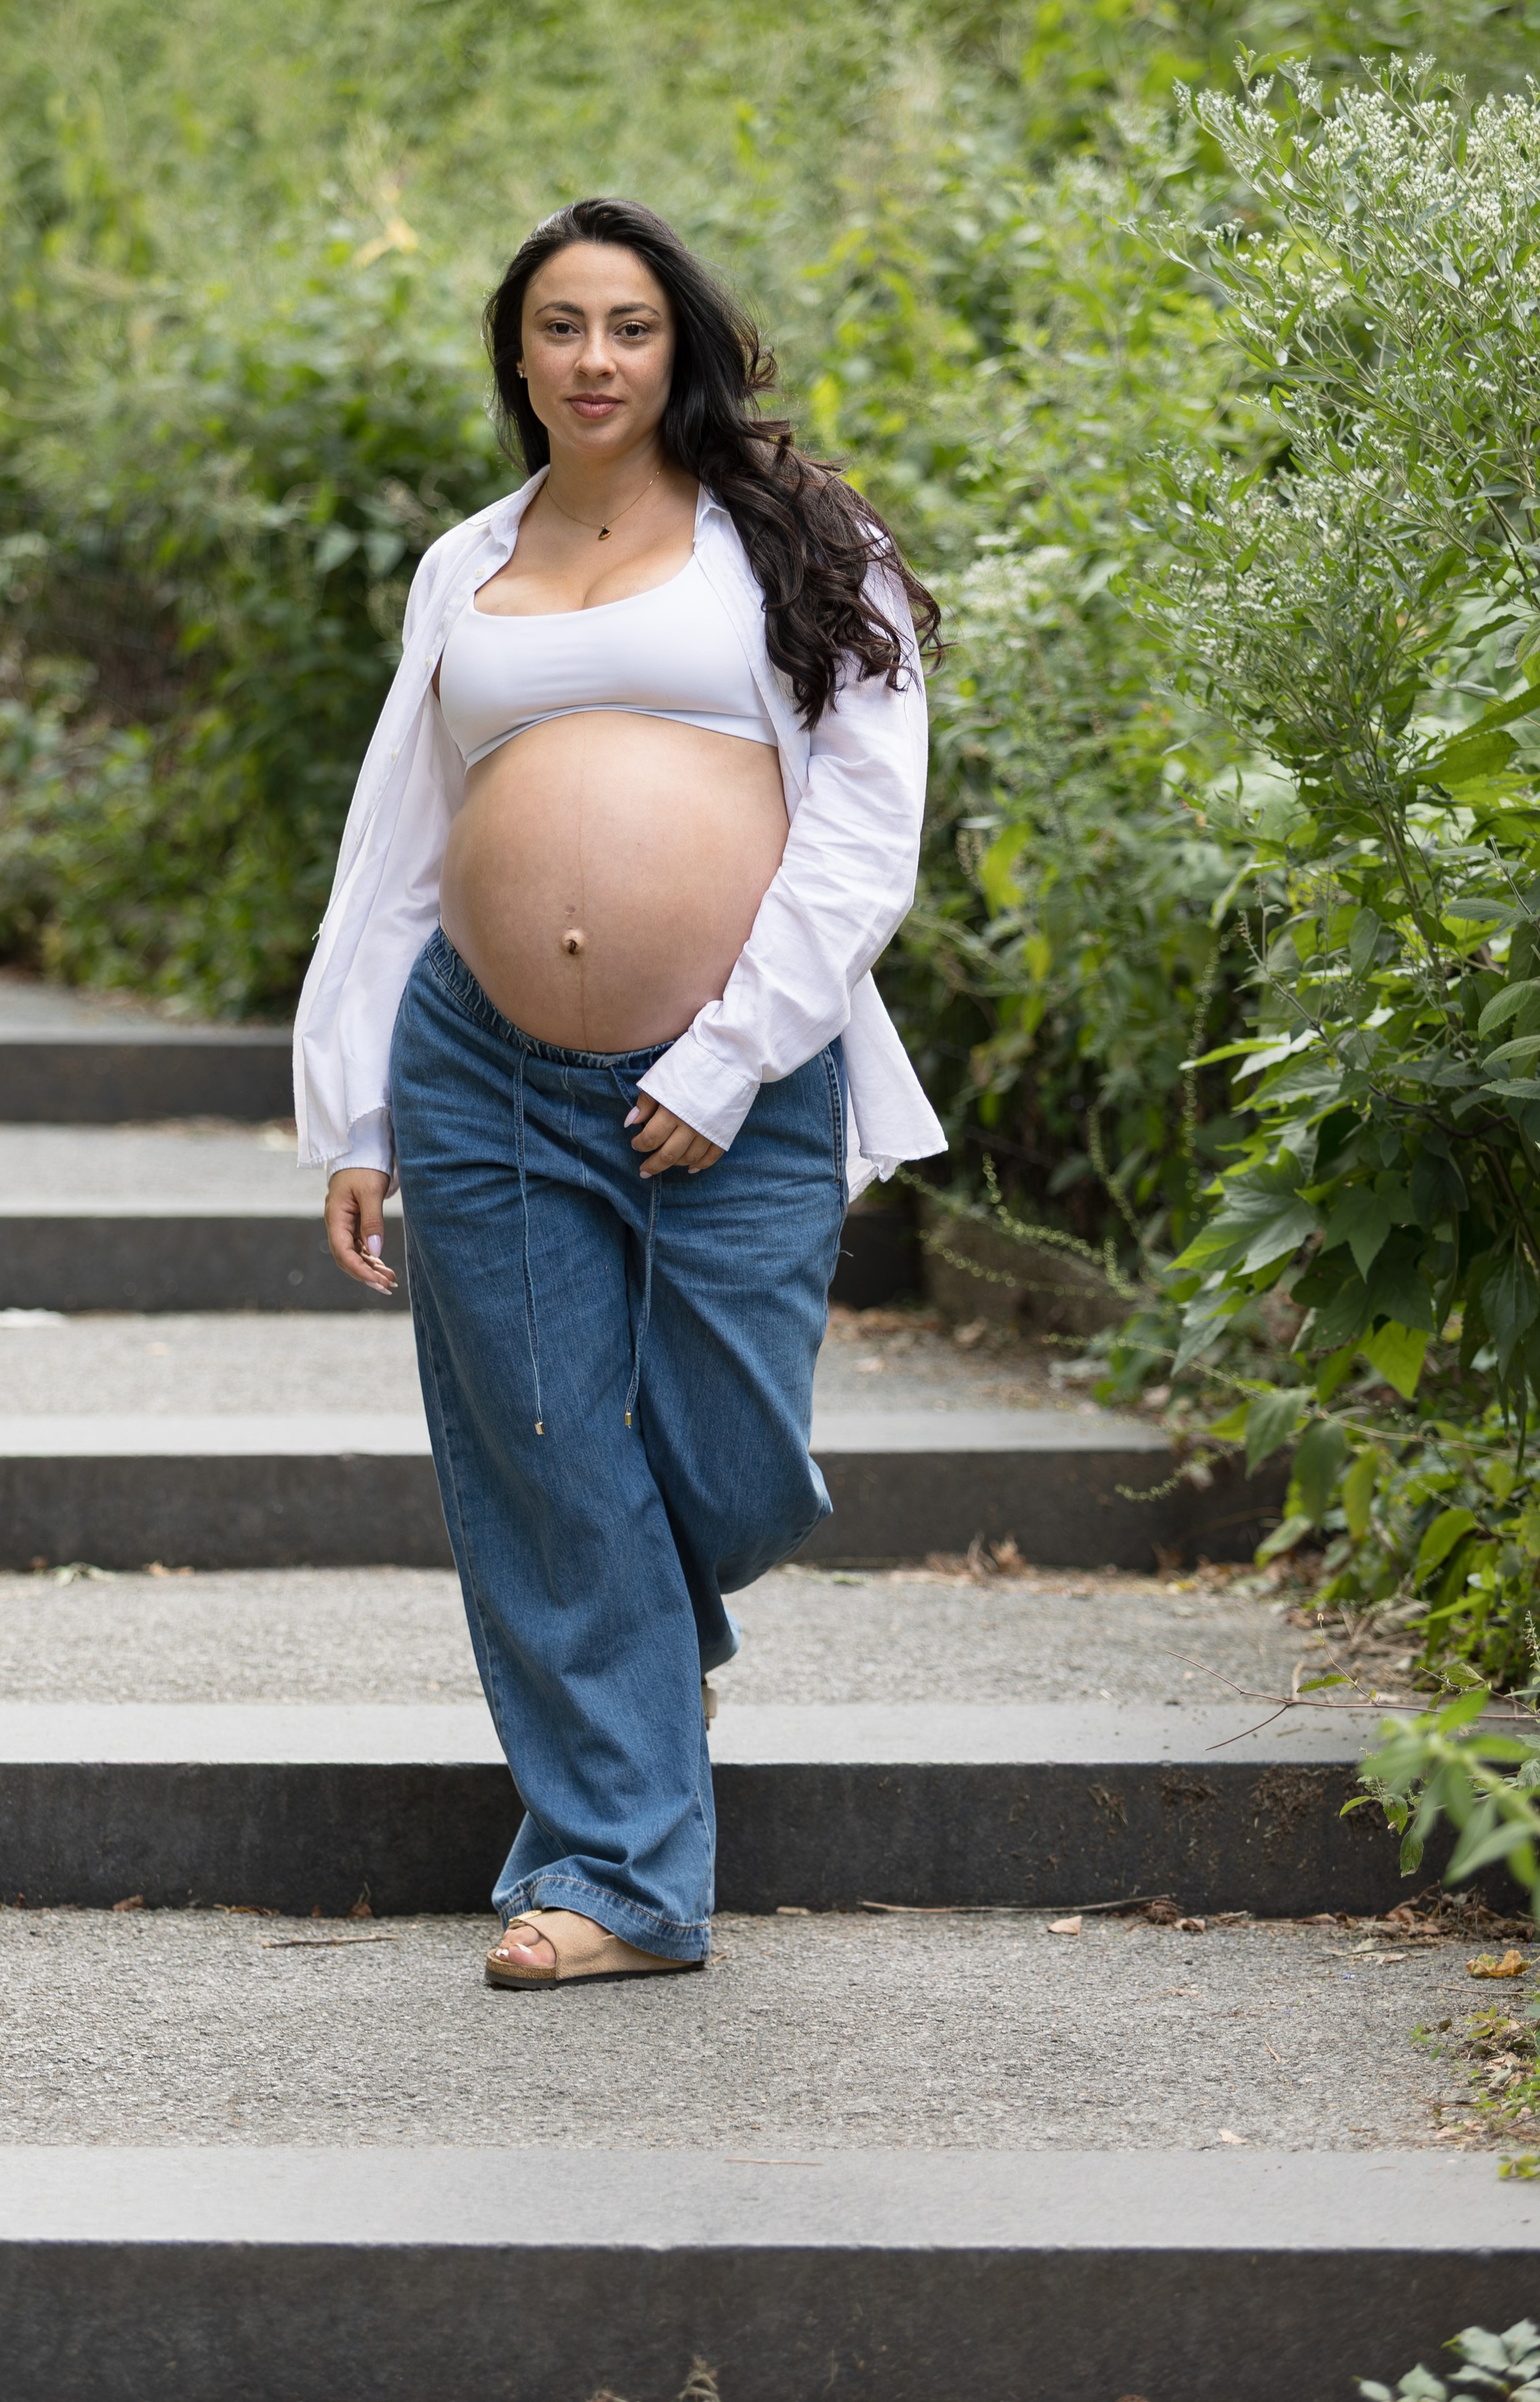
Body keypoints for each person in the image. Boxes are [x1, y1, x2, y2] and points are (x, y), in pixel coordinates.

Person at [295, 197, 945, 1989]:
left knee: (726, 1458)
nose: (595, 360)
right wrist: (351, 1110)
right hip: (479, 1072)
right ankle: (620, 1876)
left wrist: (728, 1054)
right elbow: (396, 849)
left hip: (741, 1077)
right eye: (562, 327)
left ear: (687, 350)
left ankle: (637, 1669)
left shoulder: (801, 544)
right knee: (540, 1460)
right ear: (516, 353)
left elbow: (862, 829)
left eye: (631, 328)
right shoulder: (465, 565)